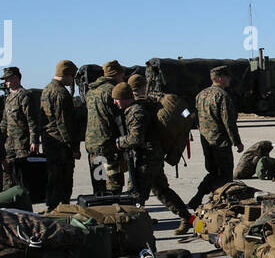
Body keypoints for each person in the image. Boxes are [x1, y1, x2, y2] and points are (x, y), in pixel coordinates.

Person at [112, 82, 192, 226]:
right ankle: (190, 219)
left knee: (135, 195)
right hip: (153, 156)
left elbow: (136, 138)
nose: (115, 102)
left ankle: (137, 227)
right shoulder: (138, 108)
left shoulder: (135, 112)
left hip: (147, 158)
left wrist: (120, 141)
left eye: (116, 99)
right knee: (162, 191)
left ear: (124, 98)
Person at [188, 65, 244, 214]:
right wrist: (237, 142)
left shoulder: (201, 95)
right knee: (225, 177)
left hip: (207, 142)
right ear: (220, 78)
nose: (229, 79)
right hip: (221, 143)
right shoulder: (222, 96)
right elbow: (228, 122)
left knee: (213, 172)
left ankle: (198, 197)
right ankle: (223, 207)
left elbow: (196, 118)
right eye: (227, 77)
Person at [41, 60, 81, 209]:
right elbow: (63, 123)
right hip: (61, 146)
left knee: (52, 179)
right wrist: (72, 146)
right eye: (72, 76)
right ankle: (62, 209)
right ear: (66, 74)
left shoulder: (46, 90)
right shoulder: (61, 93)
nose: (72, 81)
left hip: (49, 143)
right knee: (64, 181)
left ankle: (52, 207)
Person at [85, 60, 127, 196]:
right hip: (109, 146)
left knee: (99, 187)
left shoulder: (91, 91)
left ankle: (100, 214)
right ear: (116, 74)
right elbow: (119, 118)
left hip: (93, 146)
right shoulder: (113, 91)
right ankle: (112, 214)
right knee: (113, 186)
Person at [2, 66, 41, 195]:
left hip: (23, 143)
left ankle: (26, 203)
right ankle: (9, 202)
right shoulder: (8, 98)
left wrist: (34, 140)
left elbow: (32, 120)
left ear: (16, 78)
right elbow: (4, 121)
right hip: (10, 144)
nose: (6, 82)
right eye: (5, 80)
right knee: (8, 175)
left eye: (8, 79)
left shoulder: (25, 96)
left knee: (24, 176)